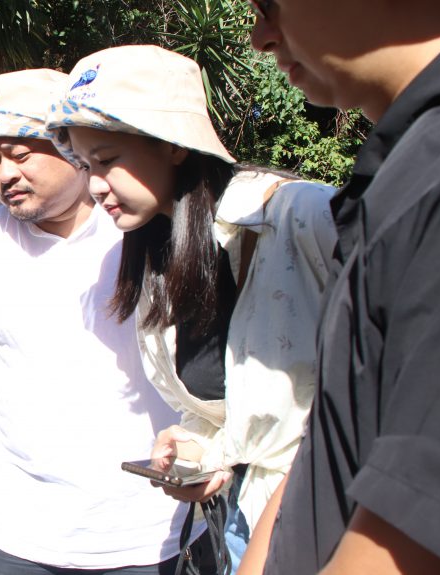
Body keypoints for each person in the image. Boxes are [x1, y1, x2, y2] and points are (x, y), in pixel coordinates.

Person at [45, 45, 337, 572]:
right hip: (238, 521)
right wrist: (200, 447)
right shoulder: (157, 254)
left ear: (173, 145)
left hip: (326, 521)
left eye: (108, 160)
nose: (94, 184)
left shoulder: (299, 216)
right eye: (86, 164)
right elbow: (237, 412)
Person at [0, 68, 212, 574]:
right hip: (22, 530)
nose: (5, 175)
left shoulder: (145, 230)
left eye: (21, 153)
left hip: (150, 530)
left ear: (73, 146)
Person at [238, 2, 440, 574]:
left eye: (269, 5)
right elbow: (343, 431)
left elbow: (424, 524)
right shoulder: (411, 159)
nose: (259, 37)